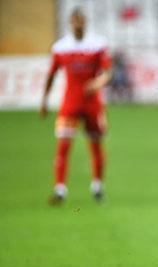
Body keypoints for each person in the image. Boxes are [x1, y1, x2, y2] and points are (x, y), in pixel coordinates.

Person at [40, 8, 112, 204]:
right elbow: (51, 75)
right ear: (70, 23)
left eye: (81, 21)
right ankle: (60, 189)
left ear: (85, 22)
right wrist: (44, 100)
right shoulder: (61, 47)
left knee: (95, 144)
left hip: (92, 103)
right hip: (70, 102)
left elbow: (107, 72)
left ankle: (97, 187)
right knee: (63, 145)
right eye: (75, 21)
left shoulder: (98, 44)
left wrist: (97, 82)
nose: (78, 25)